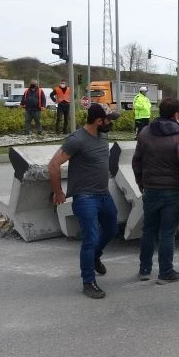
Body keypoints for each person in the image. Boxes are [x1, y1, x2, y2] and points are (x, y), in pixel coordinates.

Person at [48, 103, 120, 299]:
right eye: (108, 120)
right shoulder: (76, 140)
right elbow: (53, 165)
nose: (110, 123)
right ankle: (88, 281)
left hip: (103, 194)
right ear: (98, 121)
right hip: (85, 197)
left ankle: (95, 256)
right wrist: (58, 192)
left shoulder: (102, 136)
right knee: (91, 237)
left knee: (112, 229)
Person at [132, 98, 179, 284]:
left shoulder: (145, 132)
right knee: (167, 233)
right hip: (173, 192)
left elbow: (136, 161)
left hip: (151, 190)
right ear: (176, 114)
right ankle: (165, 272)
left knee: (148, 230)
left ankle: (144, 270)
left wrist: (141, 183)